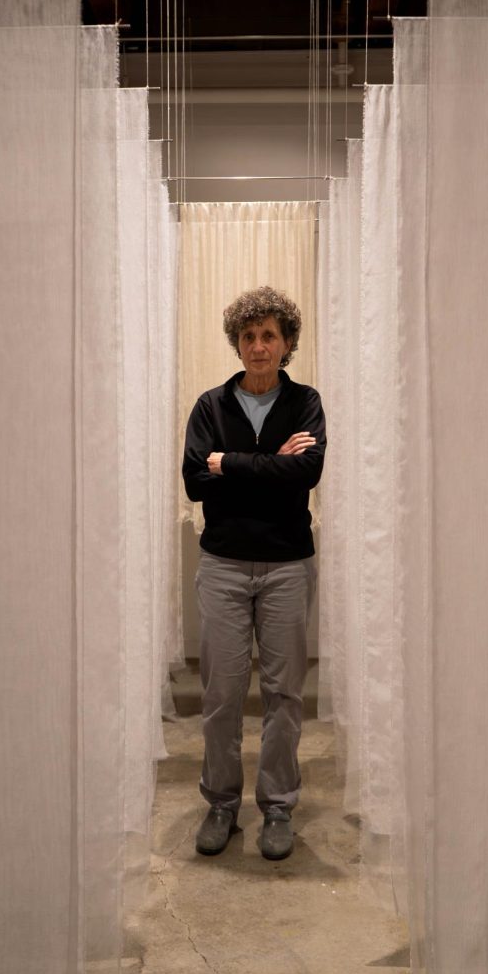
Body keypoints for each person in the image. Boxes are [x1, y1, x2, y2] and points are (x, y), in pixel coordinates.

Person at [182, 285, 326, 860]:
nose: (258, 346)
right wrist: (273, 466)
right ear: (236, 344)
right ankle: (220, 801)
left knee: (283, 693)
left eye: (269, 335)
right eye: (248, 336)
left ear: (287, 343)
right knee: (220, 693)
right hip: (222, 565)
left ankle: (277, 807)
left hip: (288, 566)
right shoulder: (210, 407)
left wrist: (230, 464)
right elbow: (195, 481)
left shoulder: (306, 401)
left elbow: (308, 473)